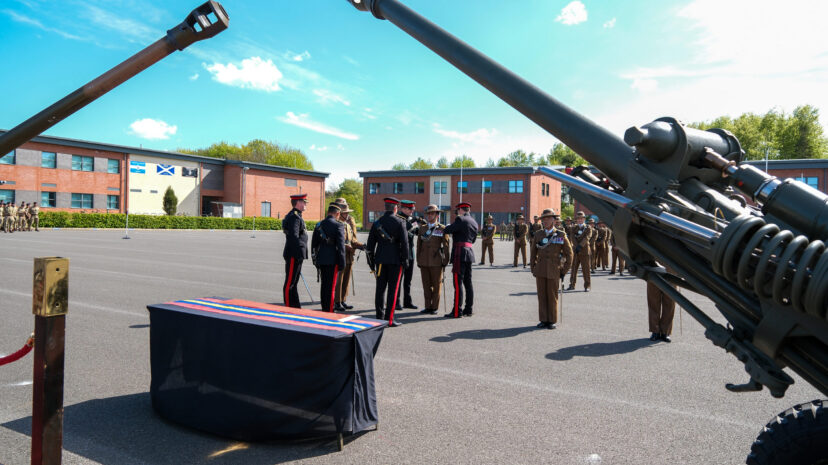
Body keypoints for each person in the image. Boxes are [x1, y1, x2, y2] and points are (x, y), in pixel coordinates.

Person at [366, 197, 409, 327]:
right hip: (395, 260)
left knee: (380, 290)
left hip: (380, 260)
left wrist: (371, 261)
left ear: (385, 208)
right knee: (393, 290)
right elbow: (405, 243)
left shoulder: (377, 222)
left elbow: (370, 245)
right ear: (395, 208)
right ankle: (389, 319)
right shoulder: (400, 222)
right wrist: (405, 259)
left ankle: (379, 318)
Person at [530, 209, 572, 329]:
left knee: (552, 296)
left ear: (554, 220)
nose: (545, 221)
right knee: (542, 295)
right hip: (541, 269)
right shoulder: (538, 234)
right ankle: (543, 319)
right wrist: (533, 268)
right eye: (544, 218)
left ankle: (552, 320)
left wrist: (564, 270)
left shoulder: (560, 234)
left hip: (554, 269)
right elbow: (533, 253)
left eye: (548, 218)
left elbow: (569, 254)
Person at [443, 201, 478, 318]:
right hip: (469, 253)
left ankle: (457, 311)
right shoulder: (474, 222)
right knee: (468, 283)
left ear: (460, 210)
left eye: (458, 211)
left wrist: (446, 226)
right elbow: (473, 240)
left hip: (460, 253)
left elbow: (448, 230)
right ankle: (469, 309)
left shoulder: (460, 219)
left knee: (458, 284)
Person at [312, 203, 346, 312]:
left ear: (328, 212)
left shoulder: (319, 225)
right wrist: (342, 262)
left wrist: (315, 259)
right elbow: (341, 247)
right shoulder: (338, 225)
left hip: (321, 259)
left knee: (324, 285)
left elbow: (314, 244)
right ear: (338, 213)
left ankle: (324, 308)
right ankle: (330, 310)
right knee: (331, 287)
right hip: (333, 260)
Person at [417, 204, 450, 315]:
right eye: (428, 214)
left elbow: (446, 246)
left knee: (436, 285)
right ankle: (427, 306)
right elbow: (419, 245)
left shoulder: (442, 228)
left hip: (436, 261)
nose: (430, 215)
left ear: (437, 215)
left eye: (432, 213)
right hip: (424, 261)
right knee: (426, 285)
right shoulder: (422, 228)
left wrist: (445, 261)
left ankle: (434, 307)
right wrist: (418, 259)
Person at [333, 199, 363, 311]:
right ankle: (337, 302)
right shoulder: (336, 225)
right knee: (339, 280)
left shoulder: (347, 225)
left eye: (347, 213)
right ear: (340, 213)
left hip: (349, 256)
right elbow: (336, 242)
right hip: (340, 256)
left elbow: (352, 240)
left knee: (346, 280)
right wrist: (346, 246)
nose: (347, 215)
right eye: (345, 213)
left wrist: (362, 246)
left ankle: (343, 300)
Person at [282, 193, 309, 308]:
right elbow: (294, 237)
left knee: (294, 281)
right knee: (290, 282)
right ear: (298, 203)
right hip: (294, 254)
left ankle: (295, 304)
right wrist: (298, 254)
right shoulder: (294, 217)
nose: (305, 204)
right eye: (304, 202)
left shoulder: (297, 216)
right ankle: (289, 305)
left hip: (296, 254)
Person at [396, 199, 421, 310]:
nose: (412, 211)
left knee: (408, 280)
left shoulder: (411, 219)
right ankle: (396, 301)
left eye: (413, 209)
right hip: (400, 253)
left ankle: (407, 301)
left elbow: (417, 232)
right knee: (398, 279)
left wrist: (423, 226)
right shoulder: (398, 218)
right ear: (403, 208)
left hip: (410, 252)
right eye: (410, 209)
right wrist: (411, 222)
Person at [647, 265, 676, 342]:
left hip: (671, 273)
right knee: (653, 303)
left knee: (669, 304)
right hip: (653, 271)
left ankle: (665, 332)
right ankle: (655, 331)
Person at [567, 211, 592, 291]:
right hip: (576, 250)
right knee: (574, 269)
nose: (580, 220)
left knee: (586, 269)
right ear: (576, 220)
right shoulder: (573, 228)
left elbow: (587, 237)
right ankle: (572, 284)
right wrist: (576, 245)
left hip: (584, 250)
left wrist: (580, 245)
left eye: (581, 218)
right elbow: (572, 237)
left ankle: (587, 286)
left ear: (584, 219)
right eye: (578, 219)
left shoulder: (588, 227)